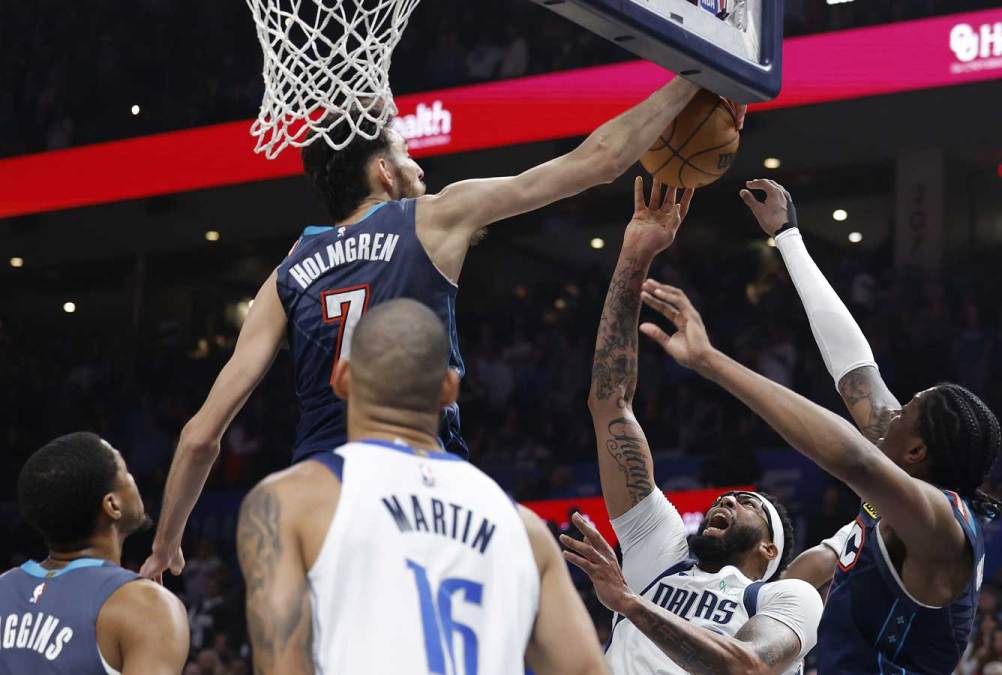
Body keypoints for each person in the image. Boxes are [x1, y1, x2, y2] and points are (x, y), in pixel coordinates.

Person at [142, 75, 720, 579]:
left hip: (319, 498)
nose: (420, 164)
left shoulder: (285, 273)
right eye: (408, 153)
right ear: (383, 171)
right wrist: (689, 79)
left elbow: (200, 436)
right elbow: (597, 161)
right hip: (423, 490)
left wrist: (166, 543)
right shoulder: (435, 215)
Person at [637, 178, 1002, 674]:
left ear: (917, 453)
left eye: (902, 413)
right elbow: (854, 368)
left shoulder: (943, 528)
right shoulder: (901, 486)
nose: (885, 413)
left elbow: (853, 458)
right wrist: (787, 235)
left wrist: (711, 361)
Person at [235, 299, 604, 674]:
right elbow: (587, 670)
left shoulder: (291, 502)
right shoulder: (524, 528)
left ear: (342, 379)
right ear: (449, 388)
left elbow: (282, 665)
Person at [562, 177, 823, 674]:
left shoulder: (786, 597)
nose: (726, 500)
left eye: (748, 504)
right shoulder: (661, 550)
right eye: (729, 496)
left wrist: (631, 604)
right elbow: (610, 404)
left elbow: (746, 666)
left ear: (770, 548)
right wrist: (635, 255)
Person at [0, 433, 189, 673]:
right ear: (112, 505)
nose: (135, 479)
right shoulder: (143, 606)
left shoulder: (3, 587)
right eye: (126, 473)